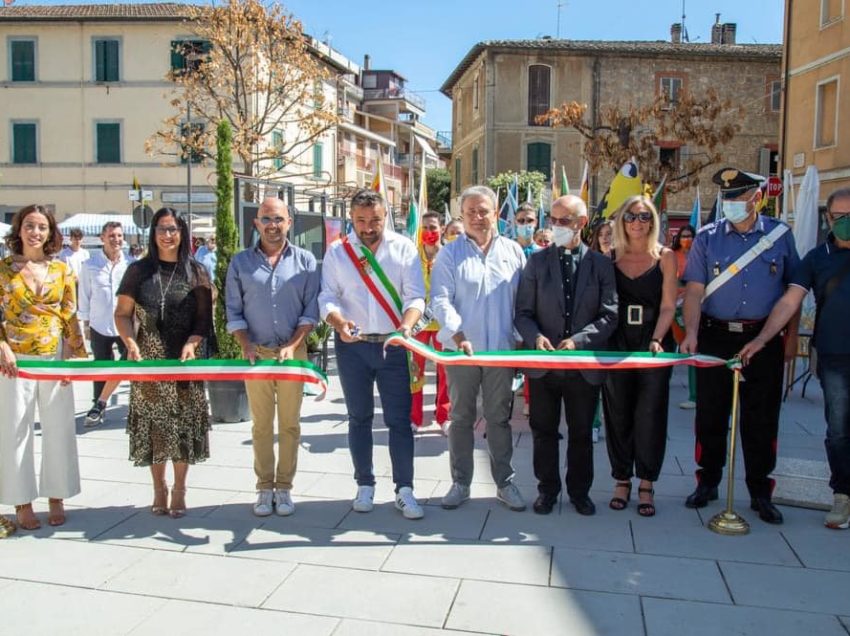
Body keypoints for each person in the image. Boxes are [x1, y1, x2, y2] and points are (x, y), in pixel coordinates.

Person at [681, 168, 799, 525]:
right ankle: (708, 481)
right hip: (716, 335)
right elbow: (695, 290)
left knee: (761, 417)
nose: (731, 204)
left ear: (756, 198)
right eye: (727, 198)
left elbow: (793, 291)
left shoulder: (780, 236)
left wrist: (788, 338)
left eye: (738, 197)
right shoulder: (707, 238)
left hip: (763, 337)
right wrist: (691, 332)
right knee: (711, 413)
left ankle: (760, 490)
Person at [740, 187, 850, 529]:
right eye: (840, 217)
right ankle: (842, 496)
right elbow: (790, 301)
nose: (845, 223)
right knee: (839, 430)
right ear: (828, 219)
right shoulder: (818, 258)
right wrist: (762, 338)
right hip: (835, 356)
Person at [318, 189, 426, 520]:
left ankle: (404, 489)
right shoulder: (338, 252)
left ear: (385, 216)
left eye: (375, 220)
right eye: (361, 220)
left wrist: (406, 329)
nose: (368, 227)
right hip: (353, 348)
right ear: (351, 218)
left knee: (398, 421)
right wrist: (337, 321)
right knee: (359, 418)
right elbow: (327, 296)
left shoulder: (404, 248)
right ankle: (364, 484)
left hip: (393, 346)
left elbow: (416, 297)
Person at [515, 194, 618, 515]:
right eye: (553, 220)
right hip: (544, 367)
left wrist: (579, 340)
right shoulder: (537, 262)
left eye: (564, 221)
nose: (556, 226)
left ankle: (579, 492)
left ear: (582, 223)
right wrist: (536, 337)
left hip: (583, 366)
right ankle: (547, 490)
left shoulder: (601, 265)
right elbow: (522, 313)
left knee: (581, 433)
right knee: (543, 432)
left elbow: (610, 313)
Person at [431, 185, 527, 512]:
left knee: (499, 418)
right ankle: (461, 483)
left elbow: (522, 303)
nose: (477, 217)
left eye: (483, 210)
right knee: (460, 417)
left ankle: (504, 482)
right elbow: (440, 299)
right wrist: (457, 335)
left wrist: (517, 338)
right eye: (470, 211)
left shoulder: (514, 252)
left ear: (496, 213)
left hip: (501, 352)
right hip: (462, 353)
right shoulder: (449, 253)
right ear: (462, 216)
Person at [114, 207, 213, 518]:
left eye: (173, 229)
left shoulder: (197, 272)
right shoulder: (138, 271)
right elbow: (122, 314)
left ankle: (180, 489)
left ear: (182, 233)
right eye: (161, 229)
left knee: (182, 427)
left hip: (185, 362)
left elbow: (204, 322)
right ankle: (159, 488)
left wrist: (192, 344)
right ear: (153, 232)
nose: (167, 235)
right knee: (155, 428)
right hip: (149, 362)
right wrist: (130, 343)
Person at [226, 198, 320, 517]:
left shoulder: (306, 261)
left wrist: (294, 345)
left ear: (289, 223)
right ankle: (265, 487)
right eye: (266, 218)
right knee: (261, 425)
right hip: (256, 355)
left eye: (278, 219)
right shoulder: (240, 264)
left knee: (290, 425)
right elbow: (233, 311)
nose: (272, 225)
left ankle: (285, 488)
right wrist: (245, 343)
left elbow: (311, 311)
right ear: (256, 223)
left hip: (293, 354)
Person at [0, 204, 87, 531]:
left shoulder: (63, 270)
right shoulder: (3, 269)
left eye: (41, 227)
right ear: (19, 229)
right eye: (29, 225)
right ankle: (22, 501)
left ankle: (57, 495)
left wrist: (69, 360)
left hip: (53, 357)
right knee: (15, 430)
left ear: (50, 233)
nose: (35, 232)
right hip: (14, 361)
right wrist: (2, 346)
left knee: (59, 428)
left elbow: (70, 316)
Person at [602, 196, 677, 517]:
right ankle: (622, 479)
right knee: (617, 412)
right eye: (631, 216)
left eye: (644, 216)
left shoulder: (666, 257)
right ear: (622, 221)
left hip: (653, 340)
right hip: (617, 342)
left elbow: (668, 306)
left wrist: (658, 338)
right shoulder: (610, 257)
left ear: (652, 220)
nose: (637, 222)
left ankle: (646, 481)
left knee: (650, 414)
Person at [78, 221, 130, 427]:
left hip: (125, 325)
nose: (116, 240)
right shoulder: (90, 266)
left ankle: (129, 403)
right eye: (111, 236)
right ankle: (97, 408)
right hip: (100, 325)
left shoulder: (130, 265)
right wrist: (85, 325)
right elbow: (84, 296)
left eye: (119, 235)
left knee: (129, 364)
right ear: (102, 238)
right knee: (101, 367)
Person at [410, 211, 451, 434]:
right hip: (418, 323)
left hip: (443, 323)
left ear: (442, 229)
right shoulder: (411, 256)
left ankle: (444, 415)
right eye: (425, 228)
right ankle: (415, 417)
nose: (429, 232)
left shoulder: (449, 255)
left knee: (445, 371)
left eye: (433, 227)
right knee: (415, 371)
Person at [671, 224, 697, 409]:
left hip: (695, 306)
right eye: (683, 236)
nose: (686, 239)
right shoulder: (672, 256)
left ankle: (695, 395)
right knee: (671, 344)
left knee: (692, 348)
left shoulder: (699, 255)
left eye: (689, 236)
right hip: (673, 306)